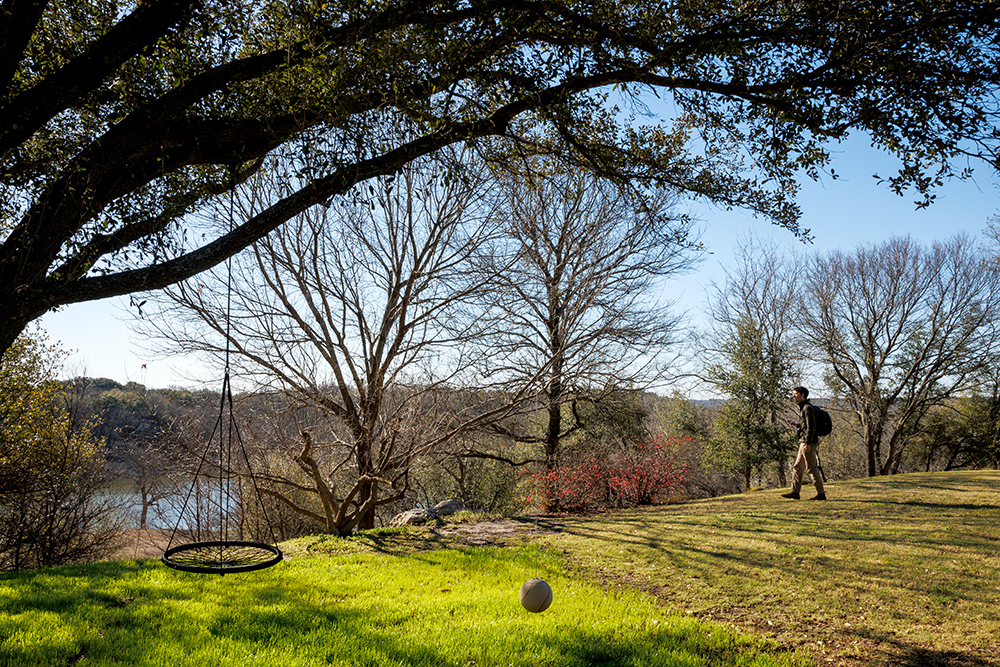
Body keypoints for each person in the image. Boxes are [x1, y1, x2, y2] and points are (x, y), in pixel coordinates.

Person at [781, 386, 827, 501]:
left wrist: (808, 443)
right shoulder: (804, 407)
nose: (793, 396)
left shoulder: (807, 408)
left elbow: (811, 428)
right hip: (804, 442)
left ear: (803, 395)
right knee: (797, 467)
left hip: (808, 442)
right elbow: (806, 426)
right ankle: (795, 492)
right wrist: (797, 425)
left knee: (811, 468)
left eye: (795, 394)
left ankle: (821, 494)